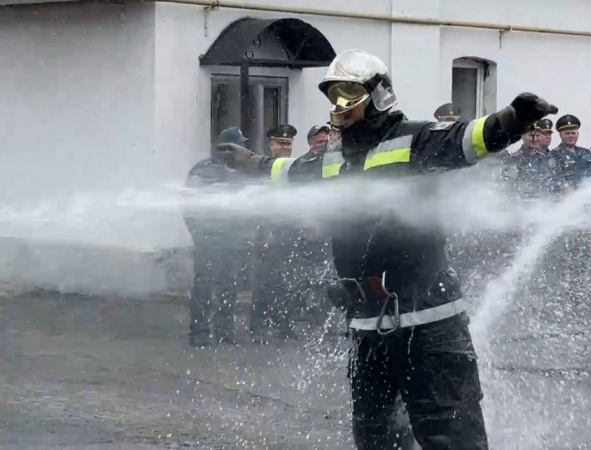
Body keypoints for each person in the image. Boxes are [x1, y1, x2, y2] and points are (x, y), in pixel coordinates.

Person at [213, 48, 557, 449]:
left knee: (451, 437)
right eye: (333, 95)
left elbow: (467, 139)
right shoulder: (331, 160)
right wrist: (252, 162)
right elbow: (291, 173)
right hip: (368, 326)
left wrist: (513, 119)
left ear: (377, 95)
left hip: (429, 325)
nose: (339, 106)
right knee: (376, 439)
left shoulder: (415, 140)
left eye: (348, 94)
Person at [182, 127, 251, 347]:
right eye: (239, 144)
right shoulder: (203, 170)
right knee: (204, 286)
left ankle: (224, 331)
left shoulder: (241, 171)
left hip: (232, 241)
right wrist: (199, 235)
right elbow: (189, 206)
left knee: (229, 286)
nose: (244, 149)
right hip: (209, 240)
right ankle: (200, 331)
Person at [553, 114, 591, 189]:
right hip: (567, 197)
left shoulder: (586, 153)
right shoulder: (554, 154)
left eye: (573, 133)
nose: (571, 136)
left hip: (589, 194)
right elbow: (555, 178)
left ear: (577, 134)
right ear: (560, 135)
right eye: (567, 133)